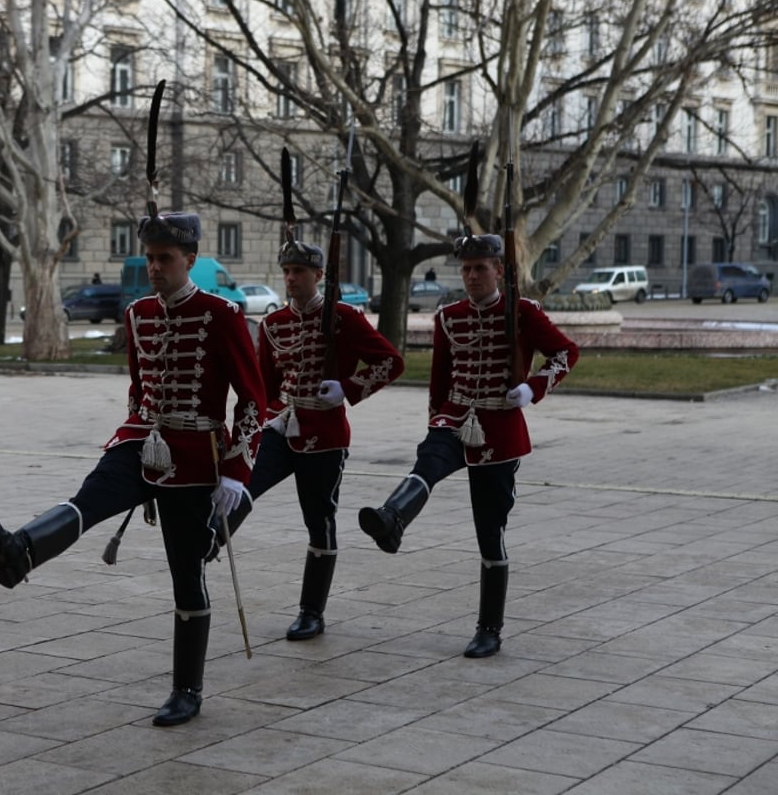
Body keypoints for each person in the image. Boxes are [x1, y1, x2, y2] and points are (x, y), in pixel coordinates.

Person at [0, 211, 265, 727]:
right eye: (150, 258)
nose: (154, 267)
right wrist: (139, 427)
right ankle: (19, 551)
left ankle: (187, 691)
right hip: (140, 439)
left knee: (186, 573)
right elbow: (139, 385)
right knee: (91, 497)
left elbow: (253, 400)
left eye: (165, 259)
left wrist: (237, 472)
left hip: (197, 455)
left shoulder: (223, 314)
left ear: (190, 261)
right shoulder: (137, 314)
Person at [357, 234, 578, 658]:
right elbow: (440, 379)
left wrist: (532, 388)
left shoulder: (524, 312)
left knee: (489, 532)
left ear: (499, 270)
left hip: (499, 427)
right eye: (466, 268)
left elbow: (565, 353)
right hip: (454, 417)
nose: (472, 276)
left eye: (480, 268)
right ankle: (391, 518)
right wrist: (434, 422)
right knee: (428, 462)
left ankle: (489, 628)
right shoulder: (448, 316)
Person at [222, 240, 404, 641]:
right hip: (279, 428)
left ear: (319, 276)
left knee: (319, 522)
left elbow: (391, 361)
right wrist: (260, 422)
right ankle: (212, 539)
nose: (291, 279)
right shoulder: (272, 325)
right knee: (241, 487)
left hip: (325, 435)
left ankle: (311, 611)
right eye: (287, 271)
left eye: (299, 272)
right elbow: (263, 384)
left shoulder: (342, 317)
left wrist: (349, 388)